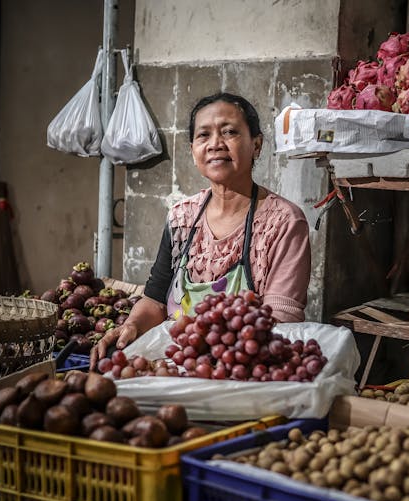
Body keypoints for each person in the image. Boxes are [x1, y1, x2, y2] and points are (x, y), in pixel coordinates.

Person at [91, 92, 311, 367]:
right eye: (203, 135)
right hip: (175, 356)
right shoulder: (182, 217)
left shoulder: (284, 222)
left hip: (243, 362)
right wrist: (132, 325)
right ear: (193, 150)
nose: (215, 144)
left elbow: (281, 321)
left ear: (256, 145)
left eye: (229, 132)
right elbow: (155, 300)